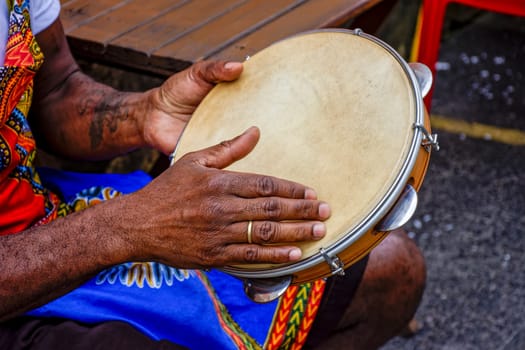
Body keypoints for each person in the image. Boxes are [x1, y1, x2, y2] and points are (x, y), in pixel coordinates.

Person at [0, 0, 426, 349]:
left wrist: (144, 115)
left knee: (391, 273)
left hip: (44, 215)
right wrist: (125, 227)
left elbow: (55, 89)